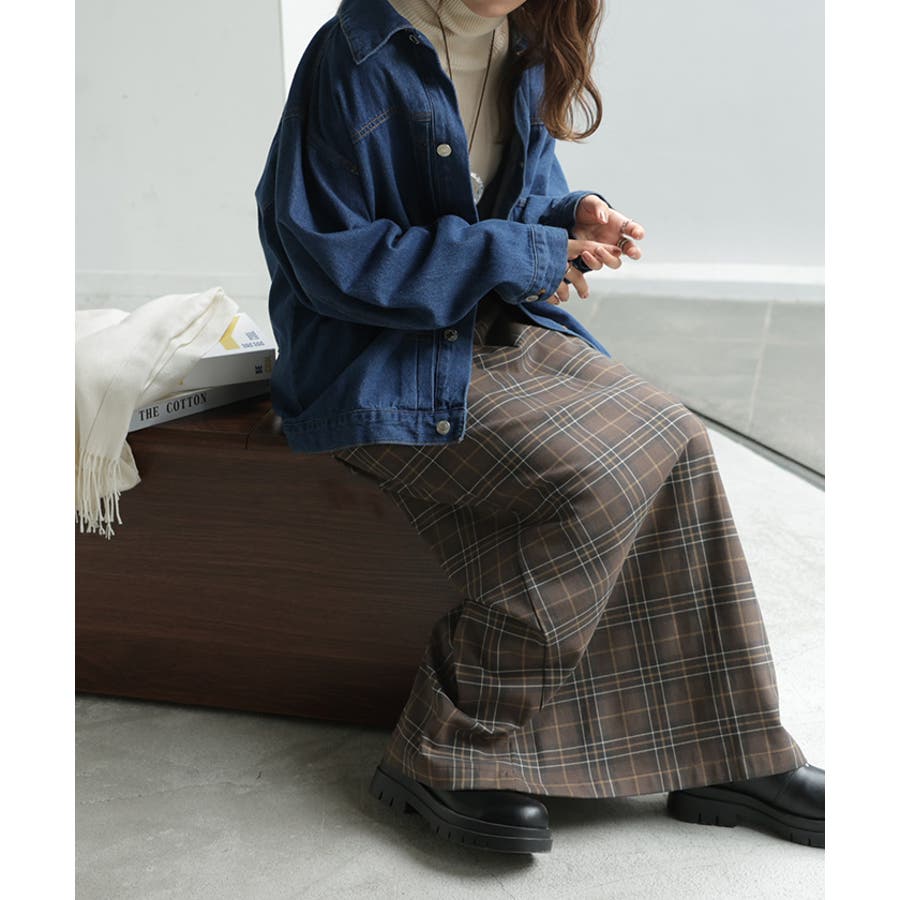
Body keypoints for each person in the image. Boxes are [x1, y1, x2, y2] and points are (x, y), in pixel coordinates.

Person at [254, 0, 824, 854]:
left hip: (487, 333)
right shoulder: (353, 58)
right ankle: (449, 750)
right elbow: (327, 260)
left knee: (678, 437)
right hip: (374, 366)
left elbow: (517, 200)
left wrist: (570, 220)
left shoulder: (523, 45)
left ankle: (726, 746)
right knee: (590, 475)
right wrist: (520, 254)